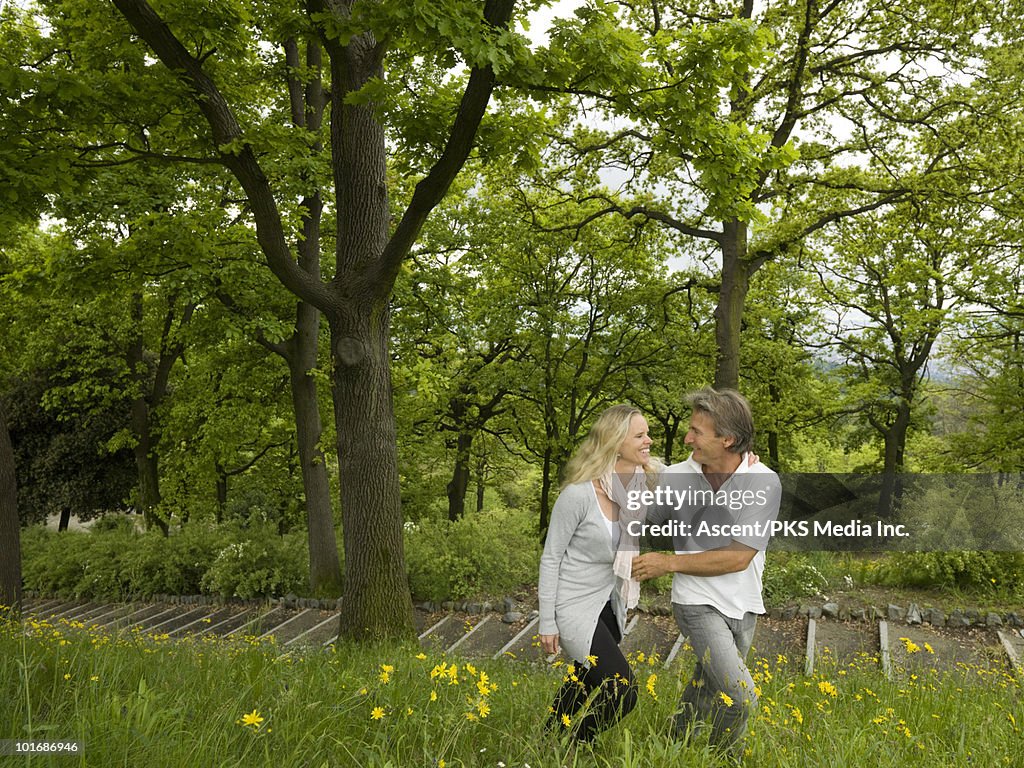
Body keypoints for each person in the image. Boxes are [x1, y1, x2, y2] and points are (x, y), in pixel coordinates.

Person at [631, 387, 781, 755]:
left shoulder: (763, 482)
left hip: (744, 604)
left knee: (708, 686)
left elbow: (738, 557)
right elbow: (641, 522)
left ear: (727, 439)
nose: (688, 437)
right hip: (695, 603)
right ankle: (721, 756)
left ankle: (671, 744)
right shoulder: (679, 476)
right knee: (741, 698)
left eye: (697, 431)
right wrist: (631, 472)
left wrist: (668, 563)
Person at [537, 404, 660, 743]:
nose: (649, 440)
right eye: (640, 435)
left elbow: (694, 479)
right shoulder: (579, 494)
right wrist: (547, 621)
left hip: (608, 604)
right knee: (623, 691)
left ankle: (548, 739)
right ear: (616, 442)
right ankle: (578, 745)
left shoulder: (640, 485)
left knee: (584, 677)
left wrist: (741, 462)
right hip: (575, 605)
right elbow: (551, 558)